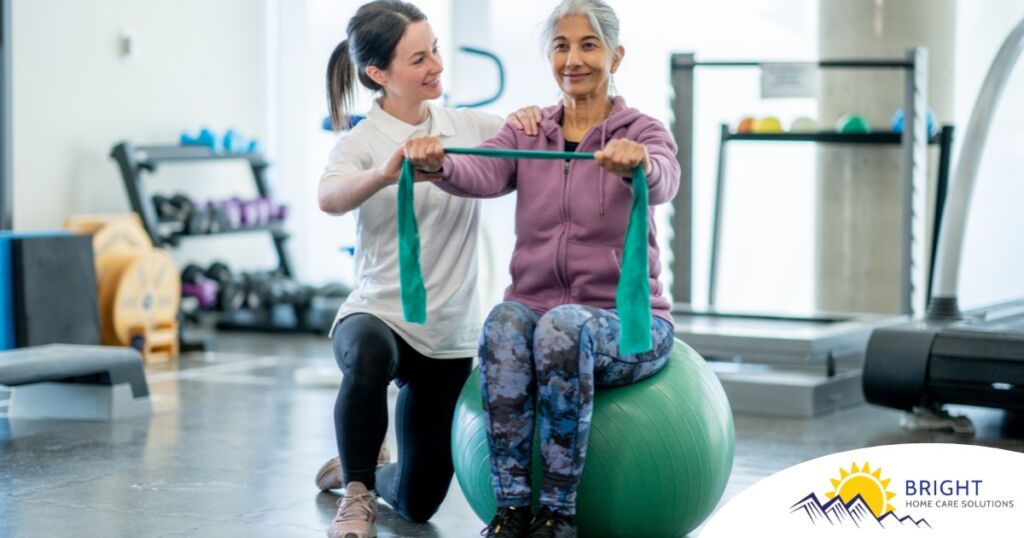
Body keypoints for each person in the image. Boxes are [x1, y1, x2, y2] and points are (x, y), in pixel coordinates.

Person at [403, 1, 679, 536]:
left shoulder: (642, 131)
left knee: (561, 329)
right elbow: (479, 167)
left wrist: (639, 164)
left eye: (589, 45)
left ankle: (557, 516)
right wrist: (438, 162)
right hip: (540, 317)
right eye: (561, 46)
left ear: (616, 55)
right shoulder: (528, 131)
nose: (573, 59)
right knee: (506, 321)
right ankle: (510, 511)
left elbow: (666, 177)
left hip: (628, 327)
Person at [316, 2, 538, 537]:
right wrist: (384, 174)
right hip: (379, 314)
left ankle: (357, 469)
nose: (437, 64)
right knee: (367, 355)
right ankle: (357, 493)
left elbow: (531, 140)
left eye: (435, 49)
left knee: (418, 503)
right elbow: (329, 196)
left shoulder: (468, 126)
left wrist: (533, 119)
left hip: (447, 335)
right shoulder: (361, 143)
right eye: (419, 58)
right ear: (378, 74)